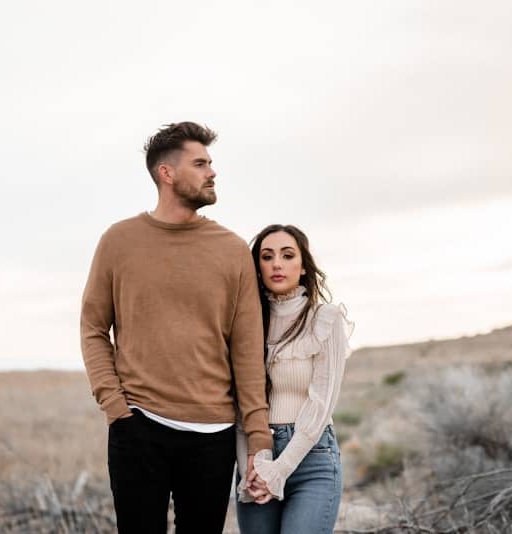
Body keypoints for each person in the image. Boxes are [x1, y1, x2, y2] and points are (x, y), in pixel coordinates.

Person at [80, 122, 273, 534]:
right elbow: (93, 328)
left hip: (213, 434)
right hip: (138, 426)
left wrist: (258, 437)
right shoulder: (119, 241)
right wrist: (116, 408)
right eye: (200, 163)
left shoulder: (232, 249)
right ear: (167, 174)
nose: (212, 172)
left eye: (211, 163)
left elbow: (247, 347)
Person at [236, 224, 354, 534]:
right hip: (256, 456)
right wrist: (252, 469)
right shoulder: (245, 325)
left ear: (303, 267)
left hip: (311, 458)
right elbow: (239, 404)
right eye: (267, 256)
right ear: (256, 267)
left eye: (287, 255)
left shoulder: (324, 319)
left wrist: (280, 470)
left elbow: (321, 405)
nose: (277, 263)